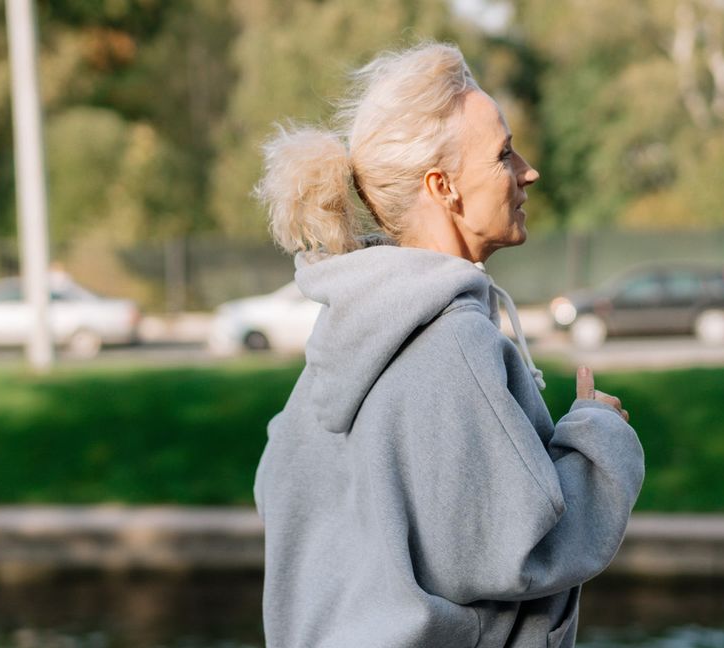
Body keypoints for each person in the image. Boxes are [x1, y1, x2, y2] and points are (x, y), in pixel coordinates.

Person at [252, 42, 643, 648]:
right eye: (504, 154)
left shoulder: (348, 332)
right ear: (444, 187)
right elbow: (513, 549)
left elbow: (282, 491)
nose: (527, 170)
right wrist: (600, 442)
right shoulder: (453, 340)